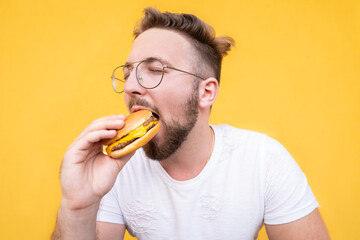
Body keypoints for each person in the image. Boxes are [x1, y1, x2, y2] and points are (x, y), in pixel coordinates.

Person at [51, 7, 329, 240]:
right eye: (128, 74)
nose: (131, 87)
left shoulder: (263, 160)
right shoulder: (115, 169)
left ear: (205, 92)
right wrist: (77, 207)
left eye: (155, 70)